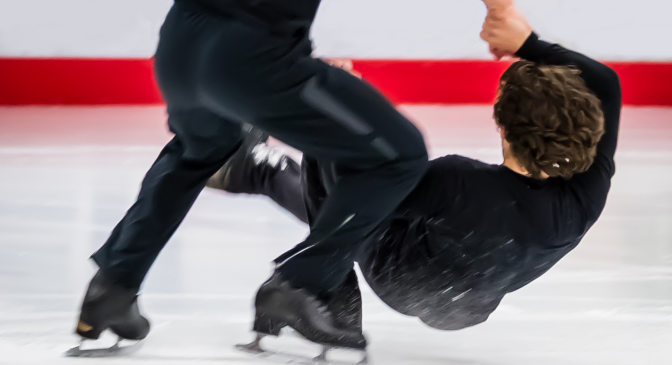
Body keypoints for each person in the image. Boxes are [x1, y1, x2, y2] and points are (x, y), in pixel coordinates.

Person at [208, 4, 622, 332]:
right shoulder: (588, 193)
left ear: (501, 123)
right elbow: (606, 83)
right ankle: (258, 170)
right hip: (469, 308)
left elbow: (357, 200)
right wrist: (530, 43)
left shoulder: (459, 184)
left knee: (345, 160)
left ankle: (321, 279)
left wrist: (341, 102)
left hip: (402, 279)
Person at [72, 0, 438, 353]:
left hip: (180, 46)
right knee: (397, 154)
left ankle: (114, 285)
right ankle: (299, 285)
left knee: (196, 150)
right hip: (252, 56)